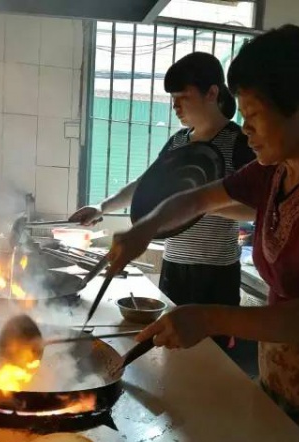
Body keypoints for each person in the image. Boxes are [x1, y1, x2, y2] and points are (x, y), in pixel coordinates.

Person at [106, 25, 299, 442]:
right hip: (285, 378)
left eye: (254, 113)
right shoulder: (275, 170)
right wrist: (145, 228)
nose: (245, 128)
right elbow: (197, 199)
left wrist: (207, 317)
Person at [70, 52, 254, 317]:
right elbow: (144, 184)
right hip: (173, 266)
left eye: (183, 97)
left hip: (215, 272)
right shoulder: (178, 142)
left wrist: (194, 206)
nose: (175, 106)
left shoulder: (239, 143)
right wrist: (101, 207)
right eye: (173, 99)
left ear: (212, 93)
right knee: (169, 349)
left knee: (210, 354)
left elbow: (256, 210)